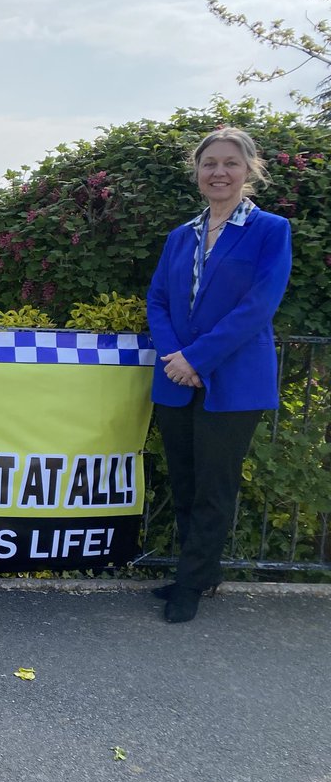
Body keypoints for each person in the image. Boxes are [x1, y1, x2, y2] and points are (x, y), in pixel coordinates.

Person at [146, 128, 292, 623]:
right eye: (210, 163)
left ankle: (191, 584)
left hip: (233, 380)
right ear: (198, 171)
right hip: (176, 377)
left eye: (230, 163)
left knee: (214, 488)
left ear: (249, 170)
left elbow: (258, 306)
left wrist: (198, 358)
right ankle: (199, 572)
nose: (219, 172)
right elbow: (159, 301)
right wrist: (176, 358)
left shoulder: (270, 231)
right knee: (185, 484)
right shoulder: (179, 236)